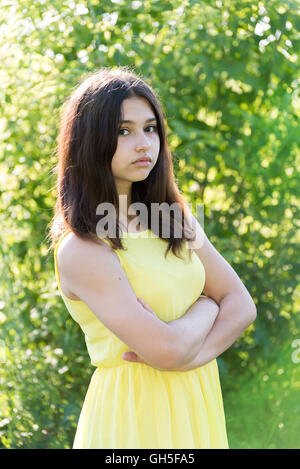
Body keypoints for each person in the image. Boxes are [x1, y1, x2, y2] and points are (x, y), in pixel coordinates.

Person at [48, 66, 257, 449]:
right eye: (123, 131)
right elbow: (165, 350)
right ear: (89, 141)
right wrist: (207, 308)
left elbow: (242, 305)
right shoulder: (84, 248)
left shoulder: (174, 219)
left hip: (196, 399)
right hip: (133, 416)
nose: (143, 143)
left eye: (150, 128)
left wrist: (186, 356)